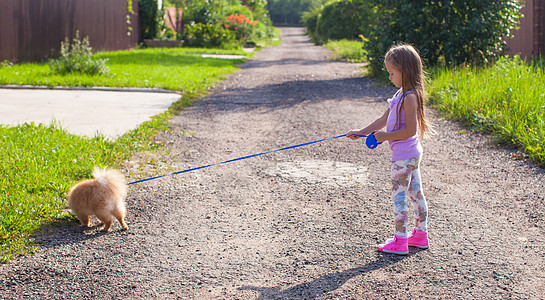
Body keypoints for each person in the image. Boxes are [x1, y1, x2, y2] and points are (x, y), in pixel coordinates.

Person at [346, 44, 432, 255]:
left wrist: (385, 137)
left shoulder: (409, 98)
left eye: (392, 73)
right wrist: (362, 132)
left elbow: (410, 130)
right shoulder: (400, 95)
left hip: (403, 158)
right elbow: (383, 120)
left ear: (406, 71)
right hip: (411, 155)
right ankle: (420, 235)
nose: (390, 77)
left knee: (400, 197)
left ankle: (400, 240)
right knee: (415, 194)